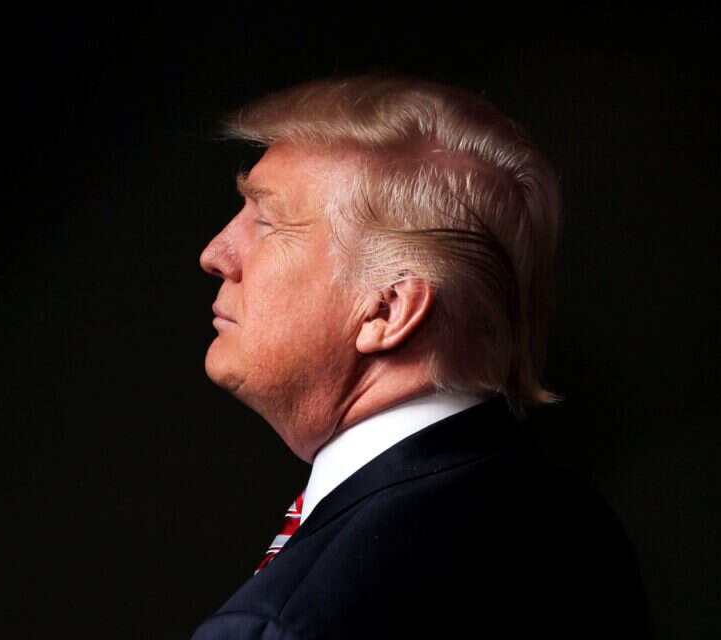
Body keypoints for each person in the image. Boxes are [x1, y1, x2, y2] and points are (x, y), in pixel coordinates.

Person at [193, 75, 649, 639]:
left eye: (267, 222)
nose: (215, 253)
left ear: (387, 309)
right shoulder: (584, 529)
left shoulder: (286, 622)